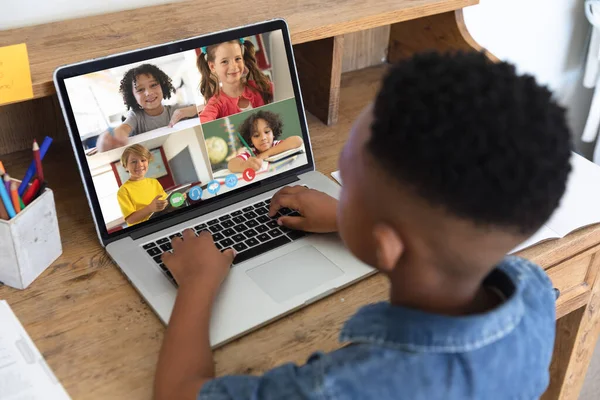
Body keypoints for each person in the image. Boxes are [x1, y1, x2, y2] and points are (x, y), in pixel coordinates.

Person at [153, 52, 572, 400]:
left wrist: (197, 283)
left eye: (346, 187)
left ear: (386, 243)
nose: (336, 194)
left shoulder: (341, 387)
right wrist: (352, 218)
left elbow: (177, 394)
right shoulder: (533, 289)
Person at [97, 64, 198, 152]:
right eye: (140, 89)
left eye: (153, 85)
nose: (148, 92)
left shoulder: (176, 110)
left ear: (162, 86)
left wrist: (190, 110)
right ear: (133, 97)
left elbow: (209, 106)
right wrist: (113, 136)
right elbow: (124, 128)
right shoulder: (136, 116)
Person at [197, 39, 273, 123]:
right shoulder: (215, 103)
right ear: (212, 67)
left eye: (237, 58)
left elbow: (284, 89)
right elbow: (203, 122)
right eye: (224, 61)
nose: (234, 66)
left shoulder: (259, 86)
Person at [227, 110, 304, 172]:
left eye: (267, 132)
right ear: (250, 140)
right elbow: (231, 164)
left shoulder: (277, 145)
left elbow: (297, 140)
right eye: (256, 135)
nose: (263, 138)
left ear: (273, 133)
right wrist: (245, 165)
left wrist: (265, 154)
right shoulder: (250, 153)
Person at [117, 144, 168, 226]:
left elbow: (165, 202)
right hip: (144, 229)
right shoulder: (123, 191)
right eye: (134, 161)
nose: (140, 165)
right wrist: (150, 208)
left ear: (148, 161)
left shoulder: (154, 182)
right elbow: (130, 220)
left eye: (143, 160)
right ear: (125, 166)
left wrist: (176, 197)